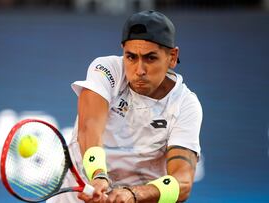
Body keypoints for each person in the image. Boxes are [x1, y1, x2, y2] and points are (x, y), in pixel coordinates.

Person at [48, 10, 202, 203]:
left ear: (172, 56)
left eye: (150, 58)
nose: (139, 70)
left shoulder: (186, 105)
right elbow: (89, 128)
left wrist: (133, 194)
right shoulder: (106, 69)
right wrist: (98, 175)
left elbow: (183, 183)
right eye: (131, 57)